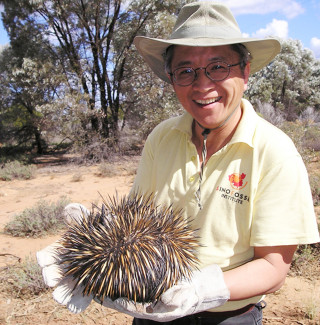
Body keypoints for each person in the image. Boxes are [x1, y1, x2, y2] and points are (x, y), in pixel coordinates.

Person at [37, 2, 320, 324]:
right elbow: (136, 218)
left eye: (218, 67)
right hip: (150, 300)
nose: (202, 85)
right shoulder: (162, 137)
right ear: (172, 79)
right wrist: (93, 244)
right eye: (186, 71)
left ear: (245, 71)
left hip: (228, 314)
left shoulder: (275, 152)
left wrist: (202, 289)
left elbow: (274, 268)